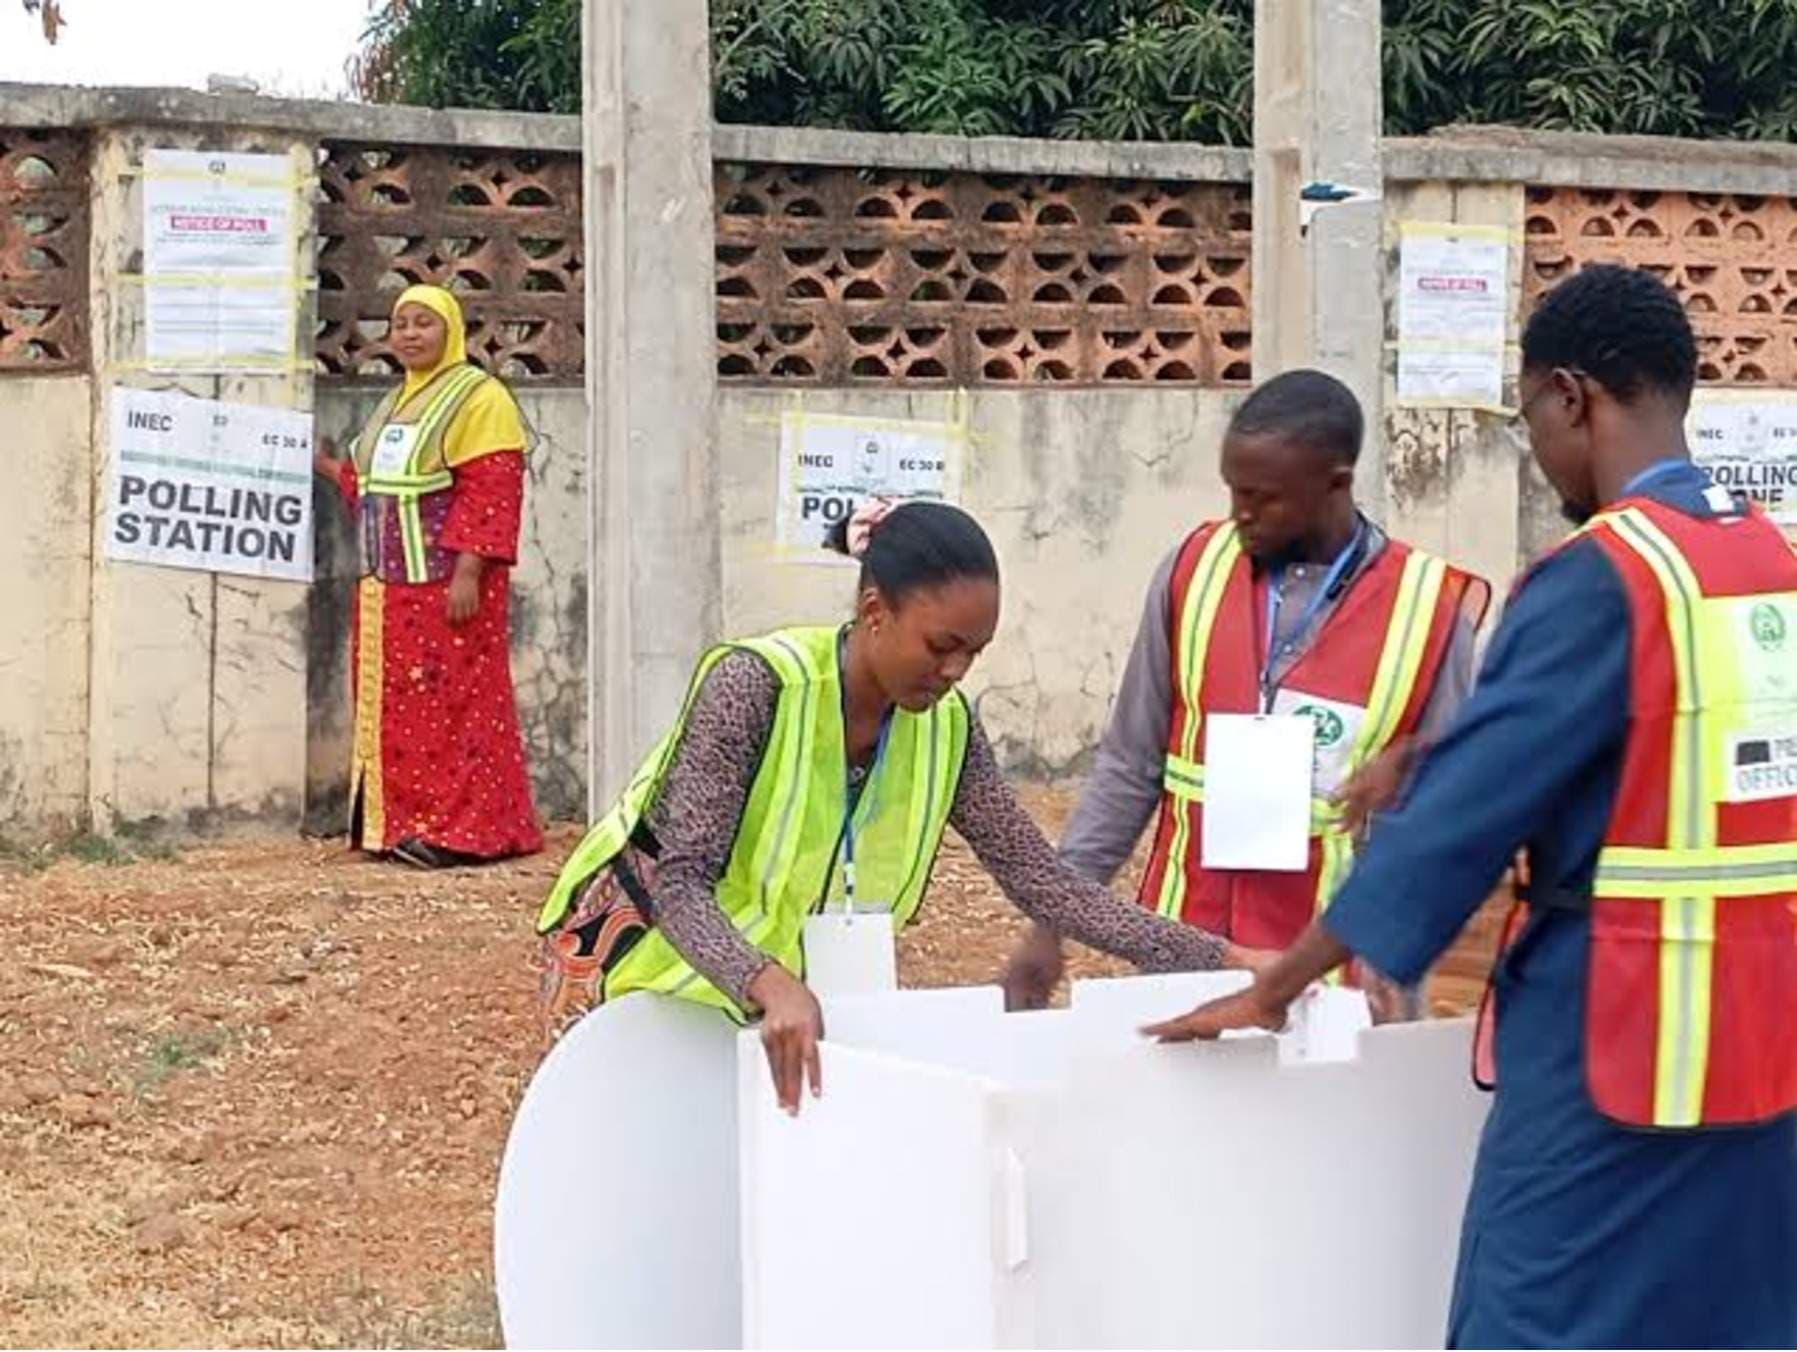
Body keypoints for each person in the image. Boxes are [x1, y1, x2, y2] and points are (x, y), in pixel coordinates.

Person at [1146, 265, 1797, 1348]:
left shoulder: (1603, 572)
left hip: (1623, 1046)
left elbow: (1464, 826)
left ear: (1569, 397)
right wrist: (1444, 747)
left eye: (1532, 416)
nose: (1538, 455)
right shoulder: (1763, 558)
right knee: (1733, 1318)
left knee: (1525, 1319)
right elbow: (1670, 727)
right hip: (1769, 1041)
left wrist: (1282, 981)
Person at [536, 499, 1269, 1112]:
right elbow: (680, 882)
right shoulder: (756, 686)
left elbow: (1040, 880)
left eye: (973, 654)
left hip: (772, 1002)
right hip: (638, 978)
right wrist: (769, 982)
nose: (955, 672)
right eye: (941, 645)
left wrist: (1223, 957)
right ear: (873, 611)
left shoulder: (947, 729)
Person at [1004, 370, 1489, 1018]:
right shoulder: (1191, 569)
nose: (1241, 516)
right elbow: (1128, 766)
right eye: (1235, 492)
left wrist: (1398, 942)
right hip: (1181, 953)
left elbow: (1446, 810)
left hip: (1335, 985)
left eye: (1264, 499)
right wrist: (1051, 922)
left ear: (1335, 484)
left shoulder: (1429, 609)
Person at [313, 285, 542, 869]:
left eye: (424, 324)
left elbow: (491, 488)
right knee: (398, 712)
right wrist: (325, 465)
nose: (410, 335)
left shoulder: (479, 398)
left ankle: (465, 831)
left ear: (452, 332)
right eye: (401, 324)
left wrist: (469, 571)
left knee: (456, 705)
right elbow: (378, 489)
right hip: (385, 593)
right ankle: (399, 825)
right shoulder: (395, 402)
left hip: (447, 588)